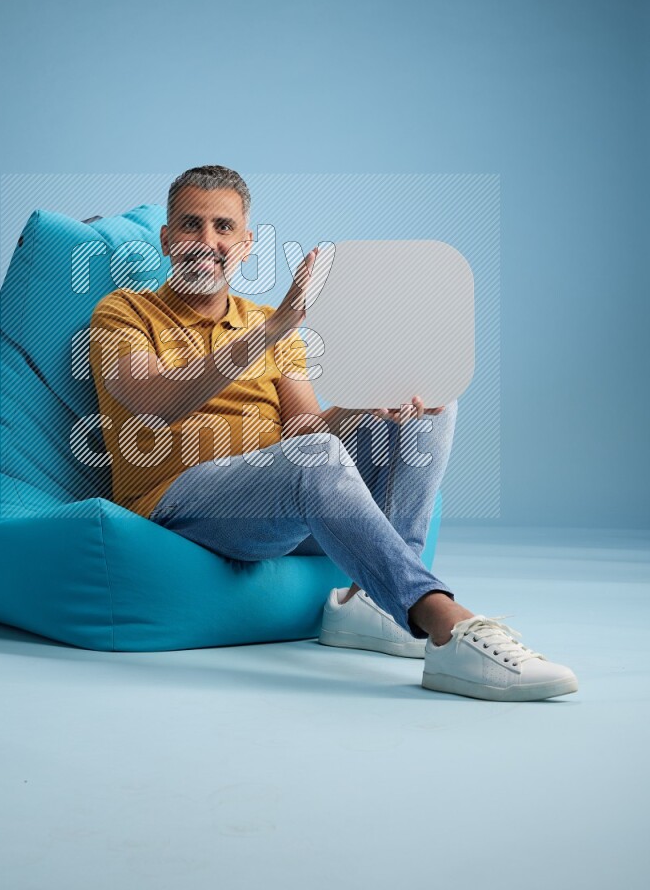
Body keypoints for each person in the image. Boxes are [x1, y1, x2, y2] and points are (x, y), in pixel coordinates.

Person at [89, 165, 578, 702]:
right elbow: (160, 401)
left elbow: (304, 427)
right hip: (180, 503)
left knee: (433, 402)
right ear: (166, 238)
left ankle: (372, 603)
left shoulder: (269, 324)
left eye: (224, 227)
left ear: (246, 244)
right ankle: (443, 622)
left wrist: (368, 407)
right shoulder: (123, 311)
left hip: (280, 499)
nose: (207, 241)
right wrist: (273, 329)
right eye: (191, 224)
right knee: (312, 458)